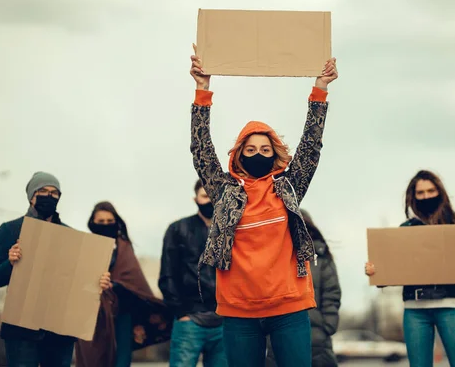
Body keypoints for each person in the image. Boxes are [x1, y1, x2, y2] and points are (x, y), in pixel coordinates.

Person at [189, 44, 338, 367]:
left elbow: (311, 146)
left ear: (276, 154)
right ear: (238, 155)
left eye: (265, 148)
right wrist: (203, 89)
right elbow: (200, 150)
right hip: (238, 312)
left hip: (289, 307)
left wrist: (320, 89)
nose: (259, 154)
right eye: (251, 148)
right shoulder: (225, 191)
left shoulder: (288, 187)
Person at [0, 171, 111, 367]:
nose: (49, 196)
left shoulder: (71, 236)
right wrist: (11, 262)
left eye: (54, 193)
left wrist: (98, 283)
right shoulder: (10, 230)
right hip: (22, 330)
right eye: (42, 191)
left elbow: (80, 282)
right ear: (31, 196)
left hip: (60, 330)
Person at [364, 170, 455, 367]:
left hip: (451, 305)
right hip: (415, 309)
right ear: (413, 197)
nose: (426, 196)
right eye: (421, 193)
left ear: (440, 192)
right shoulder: (405, 229)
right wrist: (375, 272)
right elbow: (392, 271)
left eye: (430, 190)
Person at [75, 201, 172, 367]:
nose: (106, 225)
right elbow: (76, 281)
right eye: (101, 222)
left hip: (122, 313)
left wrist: (114, 285)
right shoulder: (85, 247)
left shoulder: (124, 247)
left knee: (121, 360)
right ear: (93, 223)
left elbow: (134, 282)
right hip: (92, 315)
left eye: (109, 221)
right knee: (93, 359)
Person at [158, 179, 226, 367]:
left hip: (225, 319)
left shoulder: (231, 232)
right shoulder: (177, 229)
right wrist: (180, 312)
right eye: (205, 196)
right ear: (195, 198)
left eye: (213, 196)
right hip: (190, 319)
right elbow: (167, 273)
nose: (209, 201)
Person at [265, 209, 342, 367]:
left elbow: (332, 293)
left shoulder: (320, 256)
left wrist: (327, 325)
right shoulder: (271, 256)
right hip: (277, 333)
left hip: (316, 336)